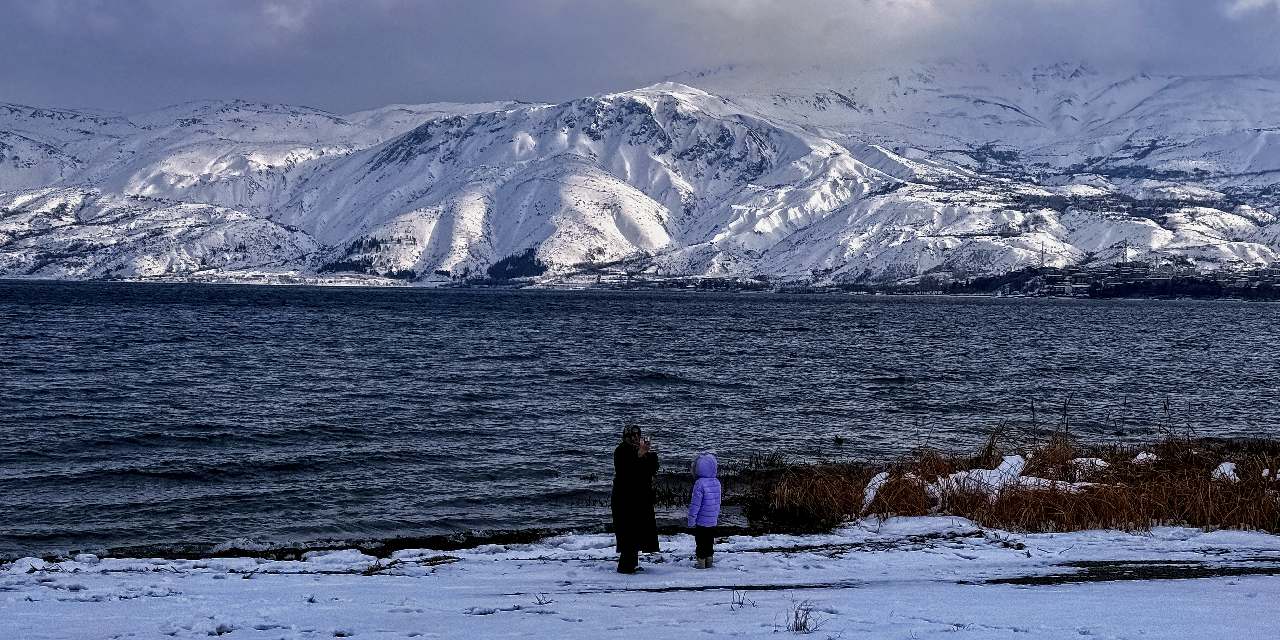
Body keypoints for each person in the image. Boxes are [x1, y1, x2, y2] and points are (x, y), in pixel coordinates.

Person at [611, 425, 659, 574]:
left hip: (641, 498)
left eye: (638, 435)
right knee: (628, 533)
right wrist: (639, 455)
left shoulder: (641, 451)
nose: (635, 438)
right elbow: (625, 472)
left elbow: (653, 469)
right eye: (632, 436)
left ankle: (632, 564)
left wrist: (646, 453)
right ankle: (625, 567)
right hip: (624, 499)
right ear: (625, 437)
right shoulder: (621, 451)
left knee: (638, 532)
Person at [687, 452, 722, 569]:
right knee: (709, 541)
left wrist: (691, 519)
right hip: (712, 520)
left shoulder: (699, 483)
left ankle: (701, 563)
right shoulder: (717, 482)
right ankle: (709, 560)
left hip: (701, 521)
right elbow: (717, 501)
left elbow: (695, 505)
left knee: (700, 542)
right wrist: (715, 516)